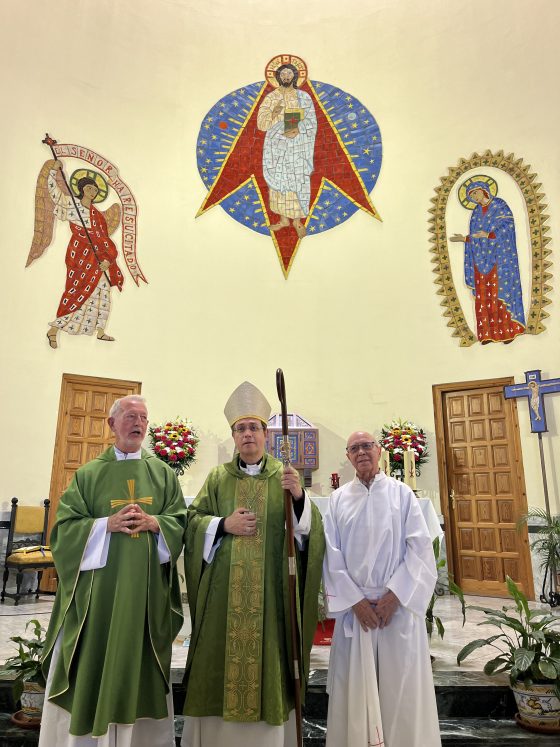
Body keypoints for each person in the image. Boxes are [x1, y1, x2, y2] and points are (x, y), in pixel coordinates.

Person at [182, 381, 325, 747]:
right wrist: (222, 525)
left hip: (270, 600)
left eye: (254, 428)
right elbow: (192, 523)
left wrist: (298, 498)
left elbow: (310, 533)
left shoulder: (285, 477)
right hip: (222, 602)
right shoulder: (217, 479)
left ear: (266, 434)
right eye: (241, 429)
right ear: (233, 435)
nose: (248, 434)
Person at [39, 395, 187, 747]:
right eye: (131, 416)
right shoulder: (89, 475)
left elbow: (181, 524)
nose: (138, 423)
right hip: (98, 597)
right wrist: (105, 524)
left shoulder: (163, 475)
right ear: (112, 424)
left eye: (144, 418)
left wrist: (156, 523)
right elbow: (62, 532)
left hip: (144, 596)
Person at [323, 431, 441, 747]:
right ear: (348, 456)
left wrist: (396, 595)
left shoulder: (402, 495)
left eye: (367, 446)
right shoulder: (336, 500)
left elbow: (419, 549)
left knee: (400, 692)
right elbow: (330, 556)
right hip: (356, 613)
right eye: (354, 448)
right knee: (355, 692)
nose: (361, 452)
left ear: (379, 452)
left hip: (396, 613)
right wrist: (356, 602)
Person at [44, 159, 124, 348]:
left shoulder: (97, 216)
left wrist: (107, 259)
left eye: (95, 190)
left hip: (97, 256)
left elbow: (104, 239)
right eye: (89, 188)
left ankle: (100, 330)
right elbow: (55, 195)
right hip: (80, 254)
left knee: (102, 289)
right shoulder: (72, 205)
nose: (92, 192)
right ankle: (54, 329)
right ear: (81, 189)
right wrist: (53, 172)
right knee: (75, 290)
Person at [450, 178, 525, 344]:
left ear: (484, 190)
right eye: (471, 196)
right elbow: (477, 236)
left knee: (500, 293)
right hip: (480, 260)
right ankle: (487, 334)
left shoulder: (499, 205)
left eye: (475, 193)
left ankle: (507, 332)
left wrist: (491, 234)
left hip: (500, 258)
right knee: (484, 296)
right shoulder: (476, 213)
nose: (475, 197)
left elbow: (508, 225)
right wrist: (465, 239)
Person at [257, 63, 317, 238]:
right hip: (276, 146)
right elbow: (262, 125)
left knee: (297, 178)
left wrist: (299, 129)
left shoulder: (303, 97)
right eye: (283, 74)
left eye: (289, 73)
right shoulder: (271, 97)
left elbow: (312, 121)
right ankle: (283, 220)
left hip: (298, 145)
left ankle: (297, 221)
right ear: (278, 77)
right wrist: (275, 112)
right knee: (279, 179)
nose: (286, 77)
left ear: (295, 76)